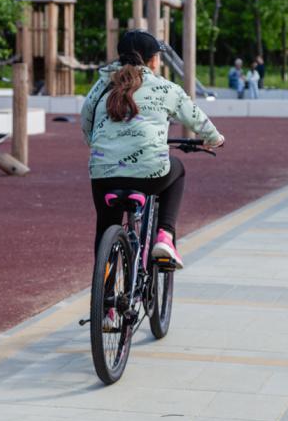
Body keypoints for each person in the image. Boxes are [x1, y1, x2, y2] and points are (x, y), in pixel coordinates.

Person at [81, 30, 225, 268]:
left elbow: (86, 120)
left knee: (105, 225)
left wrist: (96, 144)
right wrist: (215, 138)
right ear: (152, 60)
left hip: (103, 173)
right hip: (150, 174)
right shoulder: (165, 88)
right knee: (178, 170)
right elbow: (196, 118)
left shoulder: (101, 86)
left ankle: (104, 285)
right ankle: (165, 235)